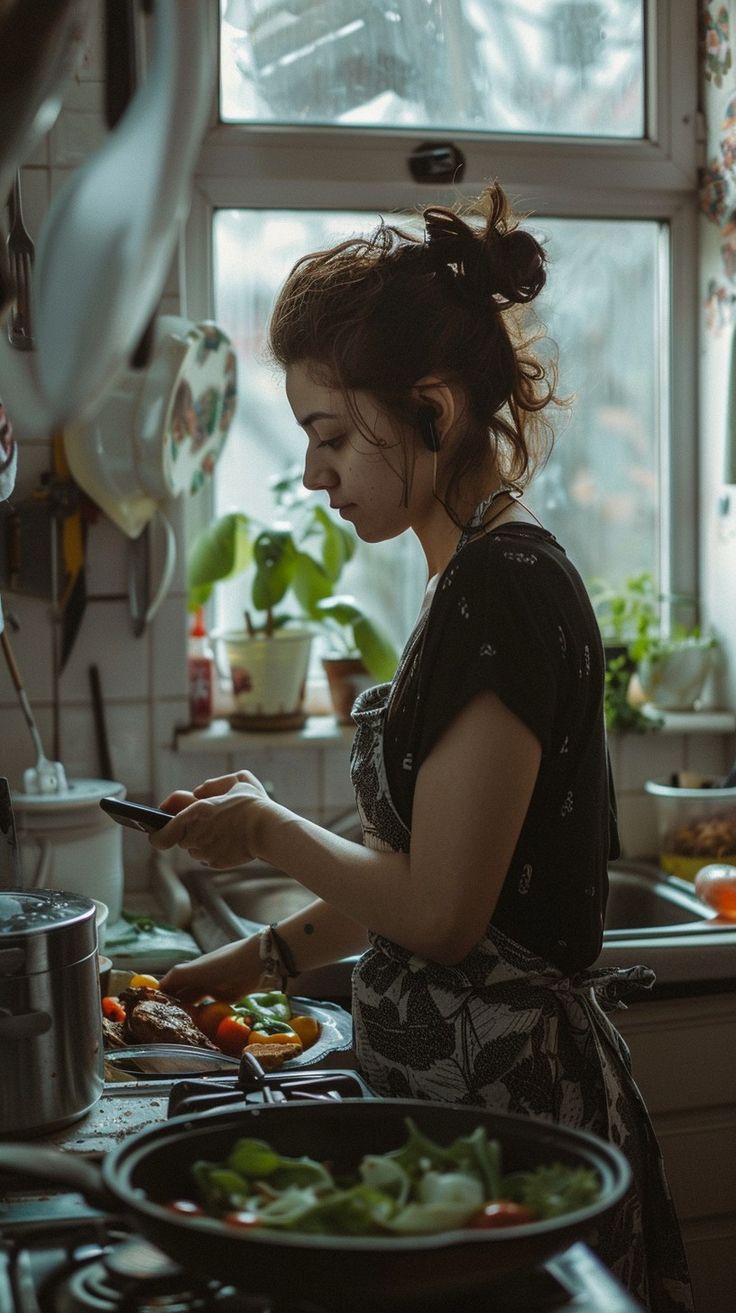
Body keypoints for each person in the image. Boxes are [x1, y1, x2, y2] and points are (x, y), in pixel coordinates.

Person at [153, 182, 693, 1313]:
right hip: (461, 1114)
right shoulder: (471, 577)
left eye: (332, 435)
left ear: (435, 410)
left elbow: (443, 912)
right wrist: (240, 965)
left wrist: (266, 825)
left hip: (508, 1134)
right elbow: (408, 879)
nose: (313, 473)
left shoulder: (501, 585)